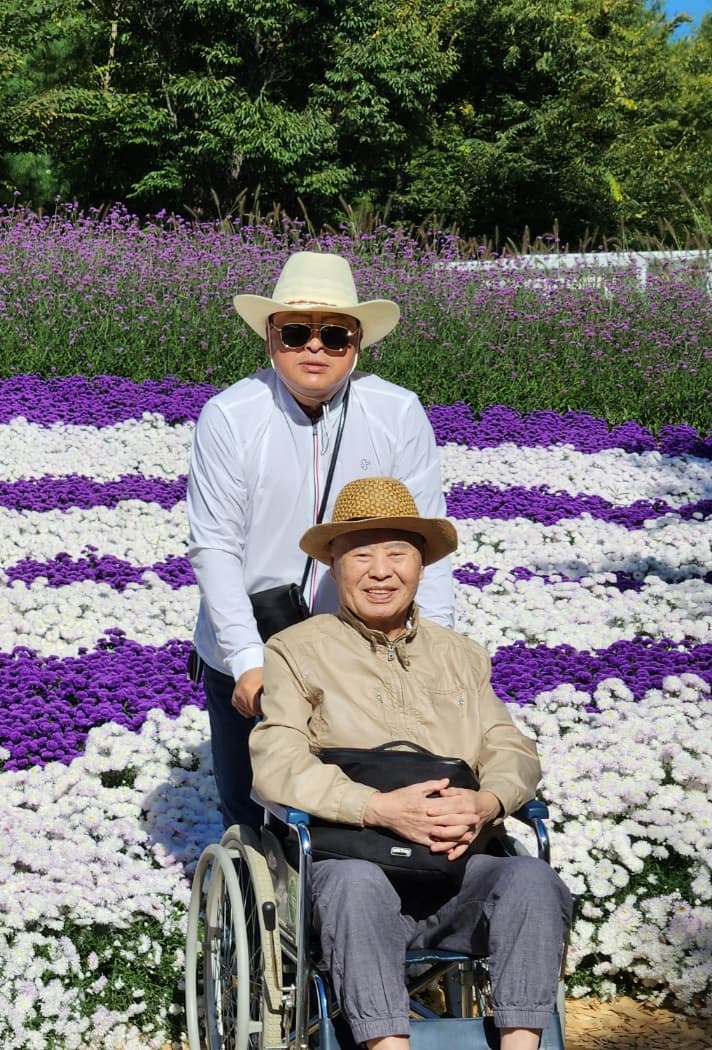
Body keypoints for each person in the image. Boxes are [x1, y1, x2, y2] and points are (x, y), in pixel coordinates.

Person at [250, 475, 572, 1050]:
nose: (381, 571)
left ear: (421, 564)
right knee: (355, 884)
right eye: (361, 554)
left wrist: (487, 802)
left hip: (456, 873)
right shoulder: (296, 651)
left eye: (397, 553)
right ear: (333, 566)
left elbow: (511, 748)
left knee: (531, 878)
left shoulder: (460, 656)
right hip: (355, 866)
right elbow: (277, 762)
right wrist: (377, 808)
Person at [187, 250, 453, 830]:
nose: (315, 347)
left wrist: (436, 653)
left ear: (357, 344)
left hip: (361, 646)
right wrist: (246, 661)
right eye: (296, 332)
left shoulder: (396, 412)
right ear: (269, 337)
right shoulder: (231, 416)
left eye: (334, 334)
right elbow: (215, 548)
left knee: (358, 812)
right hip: (253, 639)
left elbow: (424, 541)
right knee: (254, 811)